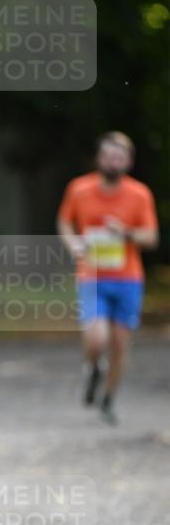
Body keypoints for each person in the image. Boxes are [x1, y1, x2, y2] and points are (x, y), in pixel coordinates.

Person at [57, 131, 159, 424]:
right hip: (92, 274)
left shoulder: (140, 194)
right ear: (98, 158)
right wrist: (73, 243)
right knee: (96, 338)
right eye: (108, 155)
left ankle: (109, 398)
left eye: (119, 156)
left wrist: (125, 232)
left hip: (128, 277)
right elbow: (64, 220)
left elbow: (151, 237)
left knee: (119, 343)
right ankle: (93, 368)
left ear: (129, 161)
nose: (113, 161)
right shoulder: (79, 189)